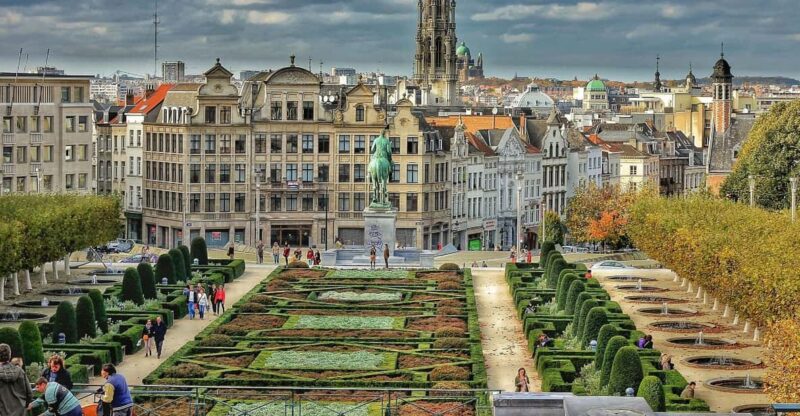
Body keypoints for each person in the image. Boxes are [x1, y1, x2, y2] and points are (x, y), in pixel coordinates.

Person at [0, 343, 33, 416]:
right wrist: (26, 404)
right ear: (9, 355)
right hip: (20, 411)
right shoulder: (20, 371)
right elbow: (29, 393)